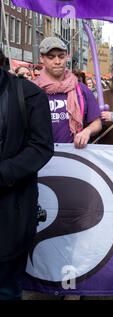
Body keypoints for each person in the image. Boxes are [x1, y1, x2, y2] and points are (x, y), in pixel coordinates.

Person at [0, 49, 54, 300]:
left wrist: (4, 172)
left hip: (10, 210)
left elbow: (41, 147)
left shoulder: (29, 95)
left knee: (6, 287)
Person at [33, 37, 102, 148]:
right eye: (51, 57)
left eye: (61, 56)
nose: (57, 61)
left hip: (73, 156)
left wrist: (87, 131)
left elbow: (97, 122)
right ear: (41, 58)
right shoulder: (31, 89)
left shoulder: (81, 89)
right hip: (38, 156)